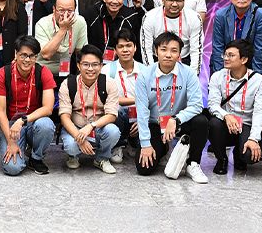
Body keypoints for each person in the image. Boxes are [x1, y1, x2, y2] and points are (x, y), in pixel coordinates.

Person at [187, 39, 262, 183]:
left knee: (249, 156)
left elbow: (259, 113)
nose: (226, 58)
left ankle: (239, 153)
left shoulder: (259, 81)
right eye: (225, 54)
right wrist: (227, 116)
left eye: (231, 55)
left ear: (244, 59)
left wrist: (253, 138)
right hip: (224, 124)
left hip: (246, 125)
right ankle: (222, 159)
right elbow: (212, 105)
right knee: (213, 123)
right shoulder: (218, 76)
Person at [133, 32, 203, 176]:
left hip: (179, 122)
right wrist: (146, 144)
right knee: (144, 168)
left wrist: (176, 119)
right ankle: (164, 148)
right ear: (156, 52)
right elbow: (142, 111)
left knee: (201, 122)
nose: (168, 55)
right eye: (163, 49)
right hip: (156, 123)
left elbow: (197, 105)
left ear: (179, 54)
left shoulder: (189, 73)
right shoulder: (145, 75)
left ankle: (193, 163)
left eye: (174, 50)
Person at [0, 36, 57, 175]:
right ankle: (22, 148)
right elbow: (0, 111)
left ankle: (35, 158)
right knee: (12, 168)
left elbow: (48, 108)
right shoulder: (3, 74)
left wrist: (22, 120)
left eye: (31, 56)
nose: (27, 60)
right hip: (10, 124)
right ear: (16, 54)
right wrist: (11, 142)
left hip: (33, 121)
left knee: (46, 125)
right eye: (23, 55)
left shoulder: (43, 72)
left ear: (36, 57)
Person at [58, 45, 121, 174]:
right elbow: (64, 116)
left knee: (113, 131)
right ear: (78, 65)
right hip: (75, 127)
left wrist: (91, 126)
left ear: (101, 66)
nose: (90, 69)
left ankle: (102, 158)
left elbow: (112, 115)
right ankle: (73, 156)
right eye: (86, 64)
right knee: (71, 146)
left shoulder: (109, 84)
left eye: (95, 64)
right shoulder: (68, 84)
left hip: (98, 127)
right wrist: (79, 137)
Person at [209, 0, 262, 76]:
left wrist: (256, 77)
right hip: (225, 63)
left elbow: (259, 49)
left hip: (248, 65)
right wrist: (220, 75)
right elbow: (218, 47)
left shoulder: (261, 16)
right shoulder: (221, 15)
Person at [140, 0, 202, 73]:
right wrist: (151, 74)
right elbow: (146, 50)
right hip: (157, 60)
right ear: (163, 0)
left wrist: (193, 76)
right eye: (171, 0)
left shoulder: (194, 18)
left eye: (179, 0)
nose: (174, 4)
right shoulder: (150, 17)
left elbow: (196, 51)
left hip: (184, 60)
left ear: (184, 1)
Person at [104, 29, 142, 164]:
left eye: (128, 45)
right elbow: (108, 100)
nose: (125, 50)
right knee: (115, 110)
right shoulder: (107, 70)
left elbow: (153, 100)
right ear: (115, 50)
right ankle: (117, 145)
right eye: (120, 46)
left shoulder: (145, 71)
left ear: (135, 48)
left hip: (140, 115)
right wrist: (137, 100)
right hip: (119, 114)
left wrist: (143, 119)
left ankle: (133, 143)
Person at [85, 0, 143, 66]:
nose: (115, 1)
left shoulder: (131, 17)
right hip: (94, 65)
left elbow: (136, 47)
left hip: (122, 65)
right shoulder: (91, 14)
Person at [34, 0, 88, 78]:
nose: (65, 15)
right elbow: (46, 55)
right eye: (61, 10)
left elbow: (80, 52)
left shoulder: (80, 22)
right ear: (54, 9)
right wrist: (63, 29)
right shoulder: (42, 24)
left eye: (70, 11)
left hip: (66, 72)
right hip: (43, 73)